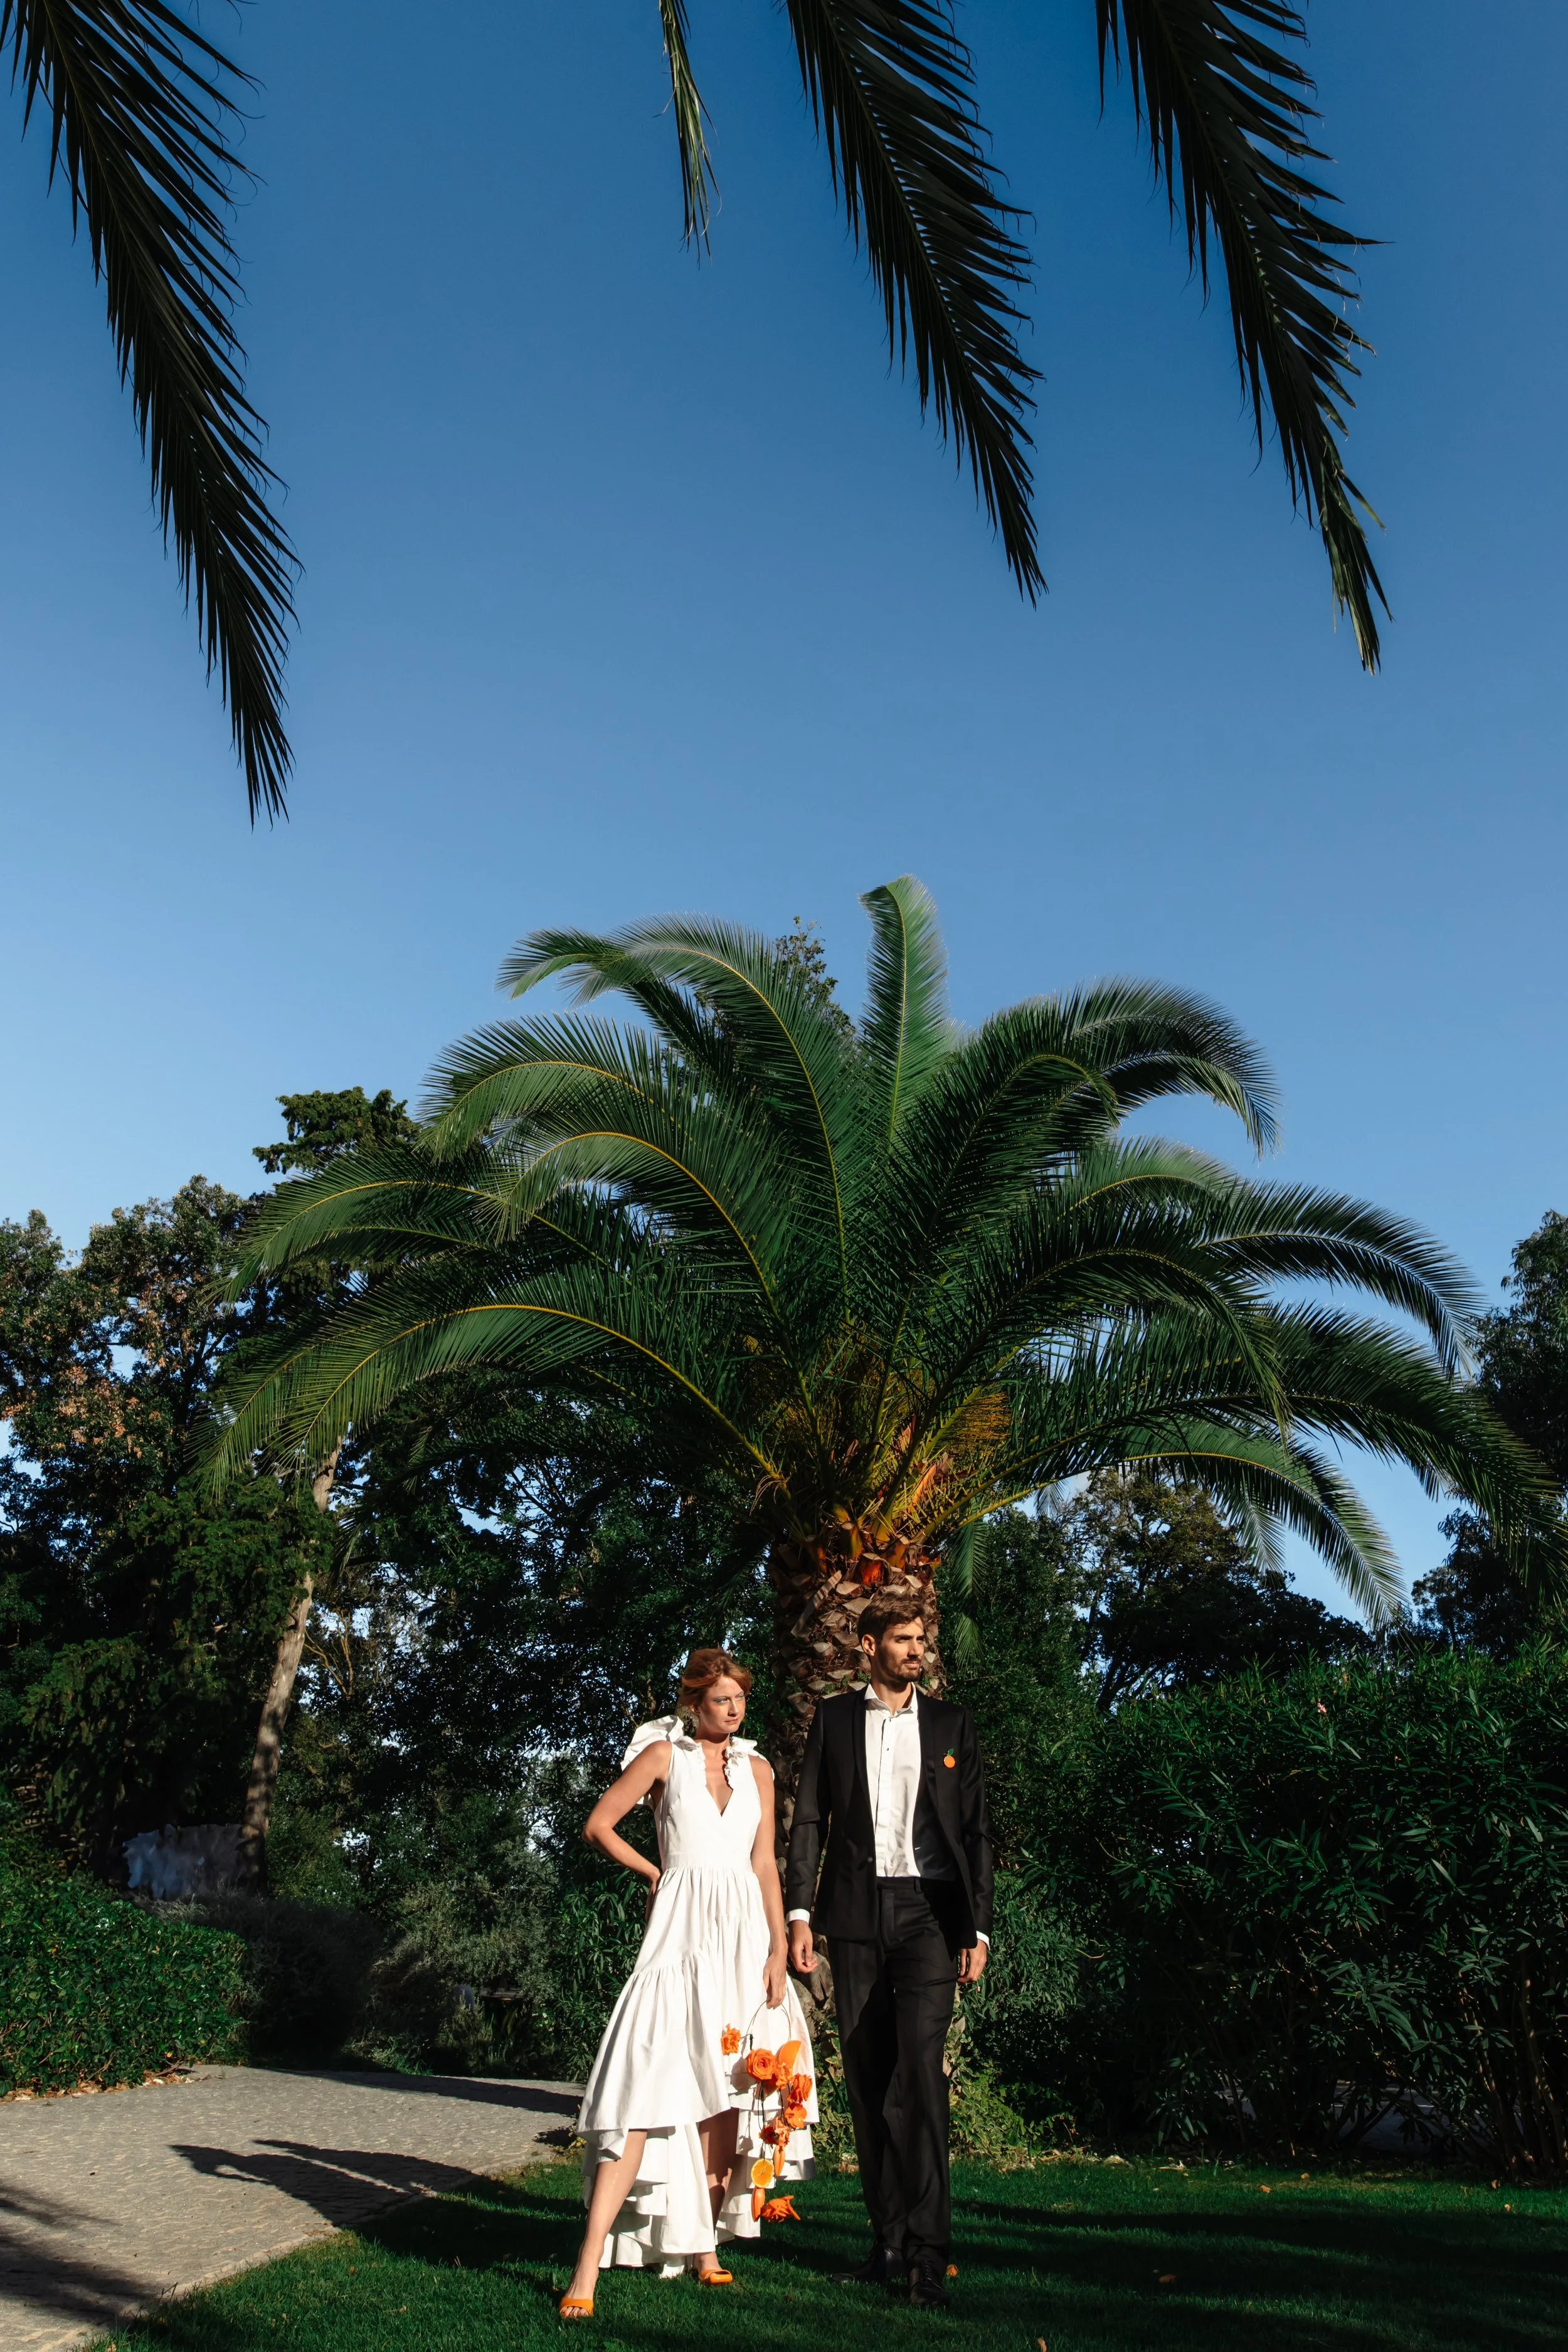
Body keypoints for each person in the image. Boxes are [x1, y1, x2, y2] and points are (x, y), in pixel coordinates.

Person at [559, 1648, 818, 2319]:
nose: (733, 1710)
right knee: (643, 2090)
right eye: (721, 1700)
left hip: (742, 1944)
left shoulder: (758, 1769)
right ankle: (586, 2267)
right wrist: (655, 1875)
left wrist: (772, 1949)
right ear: (693, 1703)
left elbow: (764, 1863)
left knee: (729, 2094)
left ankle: (705, 2246)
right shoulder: (662, 1758)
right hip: (679, 1941)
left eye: (739, 1700)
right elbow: (598, 1826)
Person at [785, 1601, 993, 2311]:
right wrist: (800, 1912)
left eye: (919, 1639)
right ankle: (888, 2243)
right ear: (869, 1646)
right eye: (902, 1640)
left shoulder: (949, 1724)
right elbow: (810, 1815)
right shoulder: (835, 1720)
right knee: (869, 2081)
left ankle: (929, 2255)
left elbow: (976, 1833)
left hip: (931, 1916)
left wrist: (979, 1928)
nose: (916, 1650)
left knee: (919, 2079)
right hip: (853, 1913)